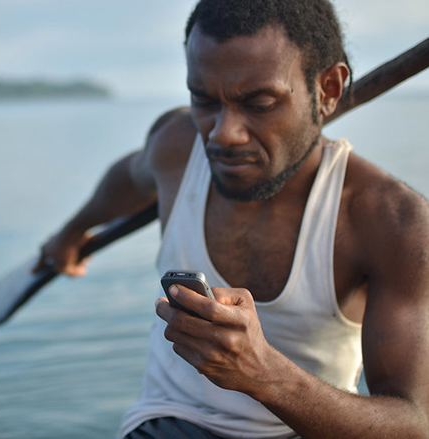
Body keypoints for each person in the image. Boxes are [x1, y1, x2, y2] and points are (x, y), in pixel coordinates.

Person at [33, 0, 429, 437]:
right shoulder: (177, 147)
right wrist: (71, 232)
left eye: (259, 103)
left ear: (329, 90)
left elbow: (413, 423)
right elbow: (129, 177)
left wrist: (265, 375)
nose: (223, 133)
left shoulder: (391, 222)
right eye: (204, 100)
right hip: (167, 423)